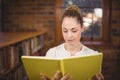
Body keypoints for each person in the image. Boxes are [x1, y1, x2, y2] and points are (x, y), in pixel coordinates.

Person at [40, 5, 104, 80]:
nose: (69, 36)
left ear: (82, 28)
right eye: (65, 31)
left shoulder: (93, 56)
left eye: (74, 30)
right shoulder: (51, 54)